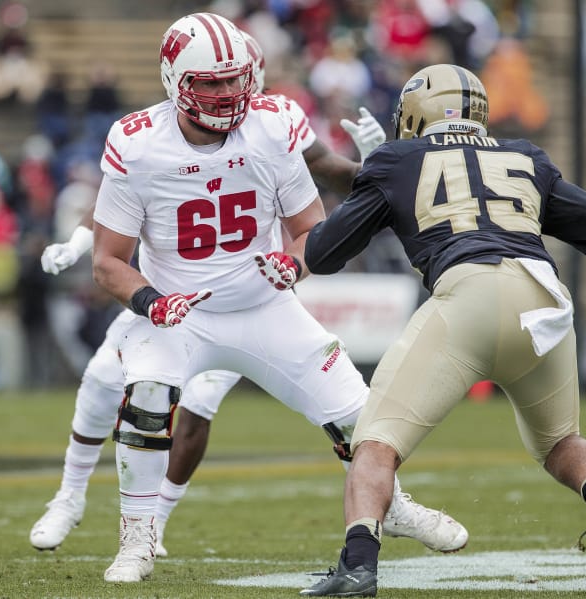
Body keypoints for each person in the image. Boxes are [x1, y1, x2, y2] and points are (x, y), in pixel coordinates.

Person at [34, 17, 467, 584]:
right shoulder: (137, 143)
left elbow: (312, 230)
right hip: (180, 312)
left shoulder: (272, 126)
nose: (226, 94)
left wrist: (294, 263)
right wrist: (149, 302)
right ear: (174, 81)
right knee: (142, 400)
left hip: (265, 305)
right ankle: (137, 535)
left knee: (364, 418)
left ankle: (393, 503)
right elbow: (109, 260)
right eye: (209, 84)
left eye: (234, 80)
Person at [298, 64, 586, 597]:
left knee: (375, 445)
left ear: (414, 116)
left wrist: (374, 175)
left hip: (469, 296)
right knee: (561, 442)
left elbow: (322, 254)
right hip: (546, 303)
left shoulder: (397, 160)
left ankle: (357, 565)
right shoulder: (525, 157)